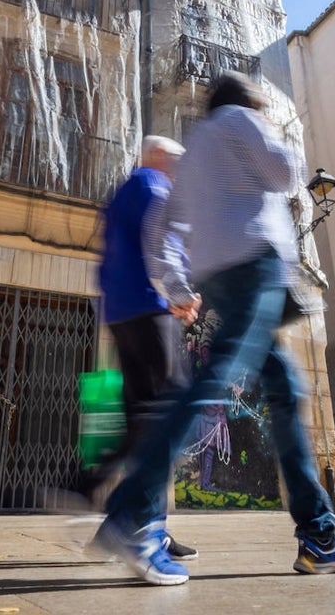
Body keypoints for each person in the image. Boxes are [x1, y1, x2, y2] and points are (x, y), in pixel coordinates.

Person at [92, 72, 335, 586]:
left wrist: (180, 289)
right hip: (256, 266)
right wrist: (275, 129)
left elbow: (161, 230)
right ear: (247, 102)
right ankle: (132, 515)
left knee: (286, 390)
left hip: (216, 278)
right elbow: (286, 174)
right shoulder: (243, 120)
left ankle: (319, 533)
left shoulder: (194, 147)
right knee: (216, 377)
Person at [92, 135, 199, 561]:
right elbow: (161, 246)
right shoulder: (155, 186)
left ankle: (144, 519)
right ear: (158, 157)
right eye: (177, 160)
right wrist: (181, 293)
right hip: (150, 308)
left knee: (143, 414)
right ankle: (132, 517)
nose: (180, 169)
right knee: (171, 412)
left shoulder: (123, 191)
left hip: (119, 311)